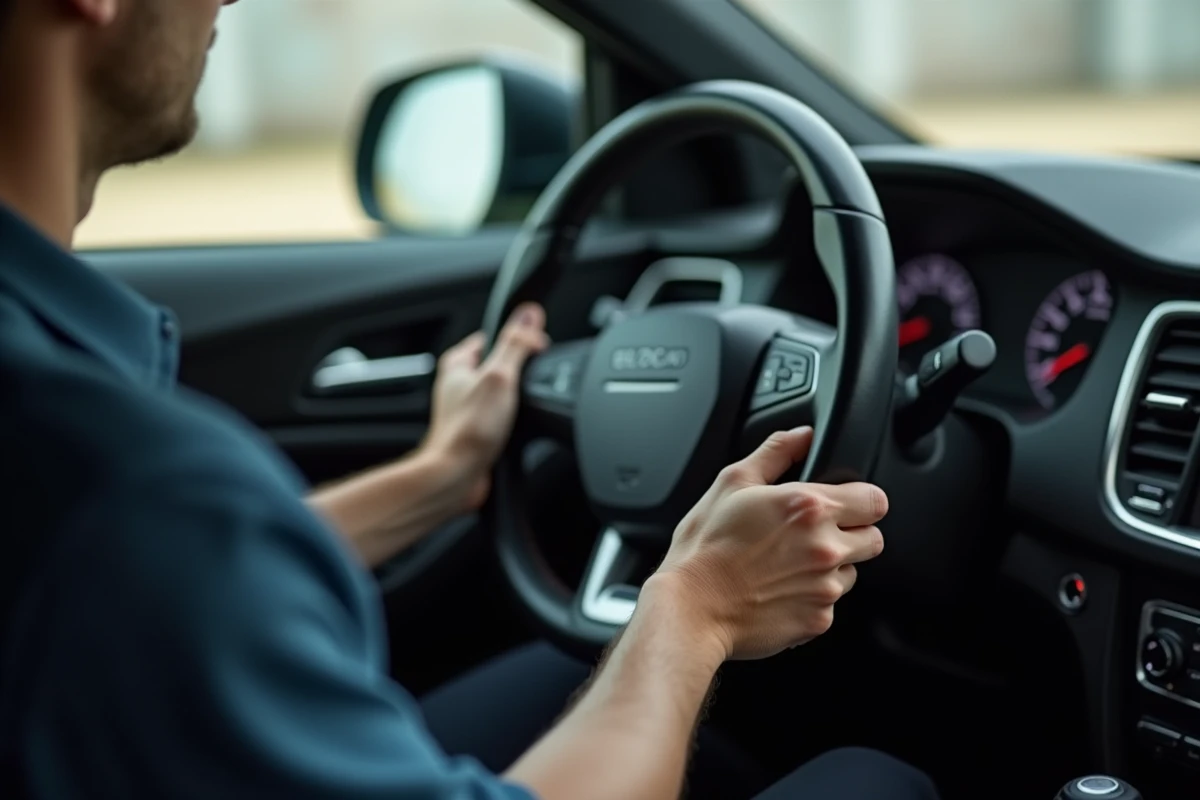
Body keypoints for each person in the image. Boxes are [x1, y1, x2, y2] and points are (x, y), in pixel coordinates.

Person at [0, 1, 939, 798]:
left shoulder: (86, 459)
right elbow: (154, 559)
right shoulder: (129, 489)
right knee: (877, 777)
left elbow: (168, 591)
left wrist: (440, 475)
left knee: (568, 666)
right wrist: (698, 607)